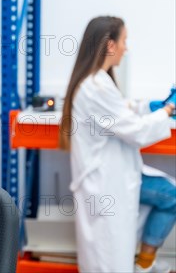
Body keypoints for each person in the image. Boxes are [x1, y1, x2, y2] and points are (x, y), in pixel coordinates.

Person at [59, 16, 176, 273]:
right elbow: (135, 131)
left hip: (113, 181)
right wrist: (167, 110)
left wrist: (151, 106)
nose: (126, 47)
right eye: (124, 40)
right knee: (108, 262)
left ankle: (144, 263)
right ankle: (145, 264)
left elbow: (120, 111)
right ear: (110, 45)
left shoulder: (97, 82)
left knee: (169, 196)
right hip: (108, 186)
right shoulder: (96, 85)